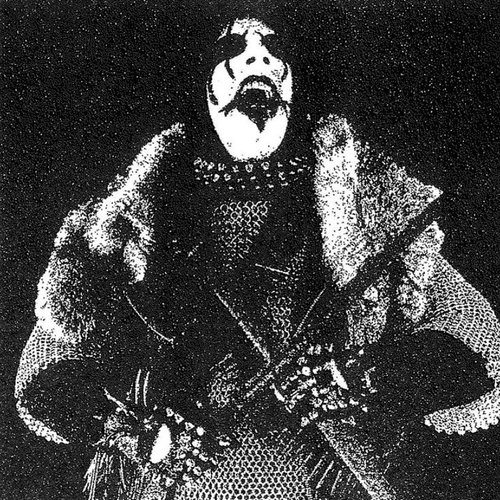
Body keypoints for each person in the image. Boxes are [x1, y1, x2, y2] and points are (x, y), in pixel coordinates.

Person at [15, 8, 500, 500]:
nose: (258, 57)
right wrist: (138, 431)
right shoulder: (123, 225)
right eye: (232, 48)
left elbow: (476, 345)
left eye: (274, 47)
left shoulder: (371, 208)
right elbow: (44, 376)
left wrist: (362, 377)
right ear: (199, 79)